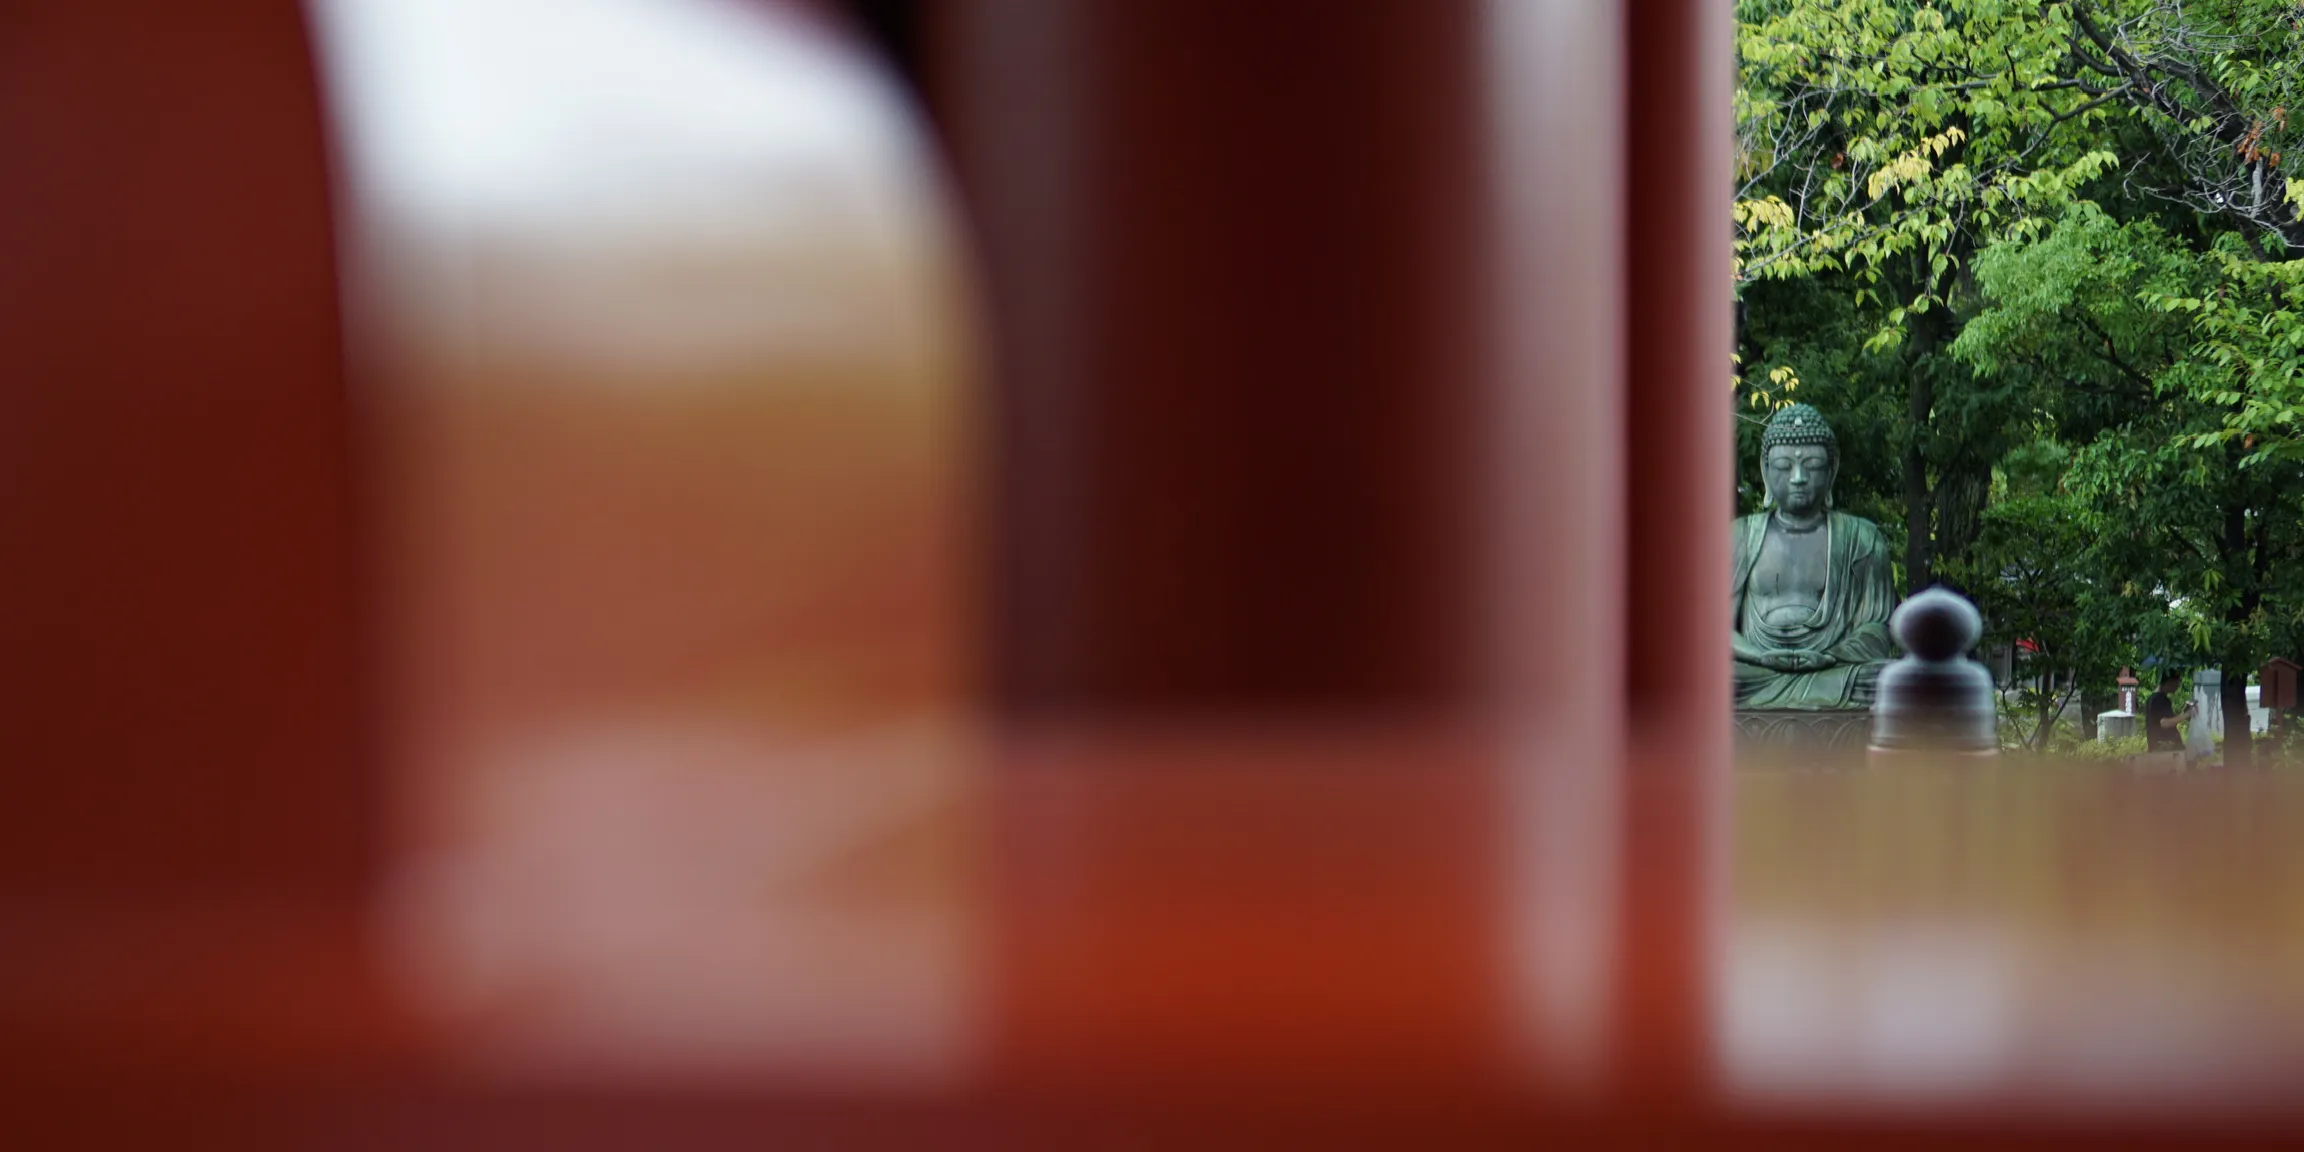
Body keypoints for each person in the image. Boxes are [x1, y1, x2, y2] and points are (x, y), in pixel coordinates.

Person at [1731, 404, 1898, 710]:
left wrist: (1830, 656)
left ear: (1831, 471)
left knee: (1887, 679)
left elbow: (1878, 628)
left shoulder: (1862, 538)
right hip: (1757, 670)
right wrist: (1760, 656)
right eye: (1783, 466)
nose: (1798, 477)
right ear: (1766, 471)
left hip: (1833, 670)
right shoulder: (1738, 536)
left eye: (1812, 465)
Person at [2143, 670, 2198, 762]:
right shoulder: (2161, 699)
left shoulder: (2152, 698)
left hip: (2157, 747)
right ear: (2169, 682)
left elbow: (2165, 721)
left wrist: (2182, 714)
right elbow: (2164, 723)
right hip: (2166, 749)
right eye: (2177, 682)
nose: (2178, 686)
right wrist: (2187, 715)